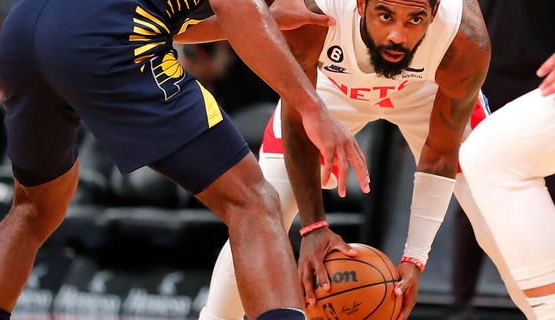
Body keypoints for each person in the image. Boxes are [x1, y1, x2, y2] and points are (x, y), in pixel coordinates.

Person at [0, 0, 371, 320]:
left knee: (33, 208)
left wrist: (263, 14)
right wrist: (312, 106)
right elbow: (233, 8)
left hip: (23, 31)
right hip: (105, 38)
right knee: (252, 201)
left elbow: (175, 17)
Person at [174, 0, 502, 319]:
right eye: (385, 15)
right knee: (263, 209)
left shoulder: (464, 36)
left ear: (434, 12)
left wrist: (415, 258)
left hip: (426, 90)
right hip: (330, 86)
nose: (397, 36)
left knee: (497, 216)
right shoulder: (316, 9)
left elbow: (439, 155)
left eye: (414, 19)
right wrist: (314, 226)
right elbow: (298, 115)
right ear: (360, 4)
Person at [447, 1, 555, 318]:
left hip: (541, 73)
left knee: (494, 165)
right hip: (485, 75)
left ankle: (540, 303)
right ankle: (460, 300)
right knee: (475, 184)